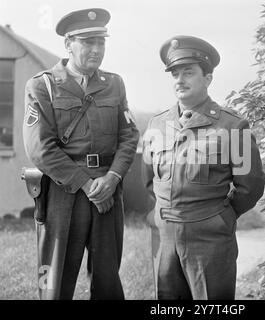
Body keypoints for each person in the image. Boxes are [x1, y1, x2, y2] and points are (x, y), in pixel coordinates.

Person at [23, 8, 139, 300]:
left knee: (108, 281)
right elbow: (40, 148)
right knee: (53, 283)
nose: (96, 49)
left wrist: (112, 178)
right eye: (88, 42)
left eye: (101, 42)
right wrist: (88, 185)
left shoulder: (114, 84)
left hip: (107, 192)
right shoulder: (43, 85)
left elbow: (129, 136)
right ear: (68, 44)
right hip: (64, 193)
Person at [141, 35, 265, 299]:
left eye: (189, 72)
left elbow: (250, 186)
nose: (180, 80)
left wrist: (219, 216)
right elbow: (150, 181)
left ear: (208, 78)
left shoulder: (233, 127)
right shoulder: (156, 125)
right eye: (175, 73)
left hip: (210, 240)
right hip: (165, 239)